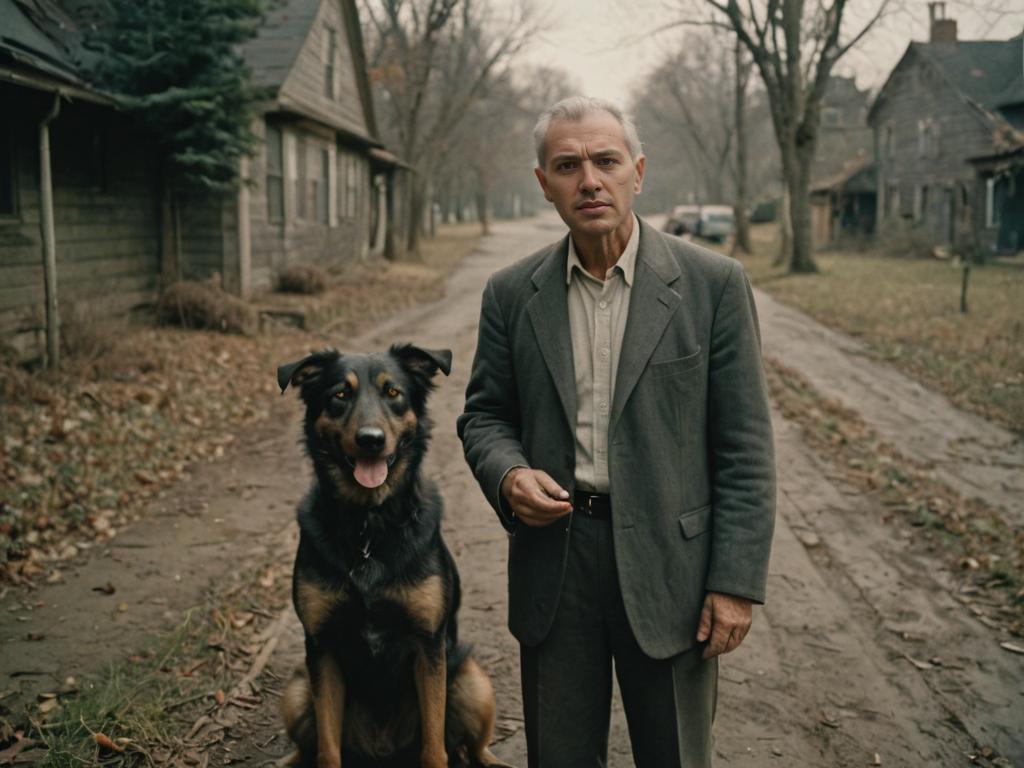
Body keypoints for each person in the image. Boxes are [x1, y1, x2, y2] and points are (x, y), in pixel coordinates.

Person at [457, 96, 775, 768]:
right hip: (557, 563)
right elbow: (484, 416)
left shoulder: (712, 285)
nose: (589, 181)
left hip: (674, 571)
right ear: (544, 183)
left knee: (677, 754)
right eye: (567, 165)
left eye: (605, 161)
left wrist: (736, 580)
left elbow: (744, 446)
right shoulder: (512, 293)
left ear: (638, 170)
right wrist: (509, 474)